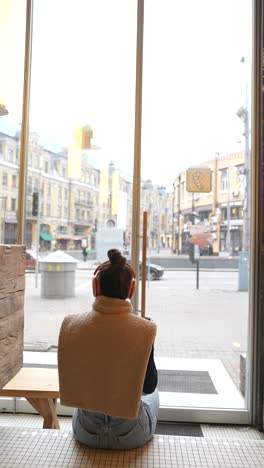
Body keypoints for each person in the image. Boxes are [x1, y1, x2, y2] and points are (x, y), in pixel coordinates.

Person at [58, 249, 159, 450]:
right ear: (131, 290)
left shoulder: (71, 324)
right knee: (154, 394)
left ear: (96, 287)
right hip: (132, 434)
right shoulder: (145, 328)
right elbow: (148, 386)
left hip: (85, 432)